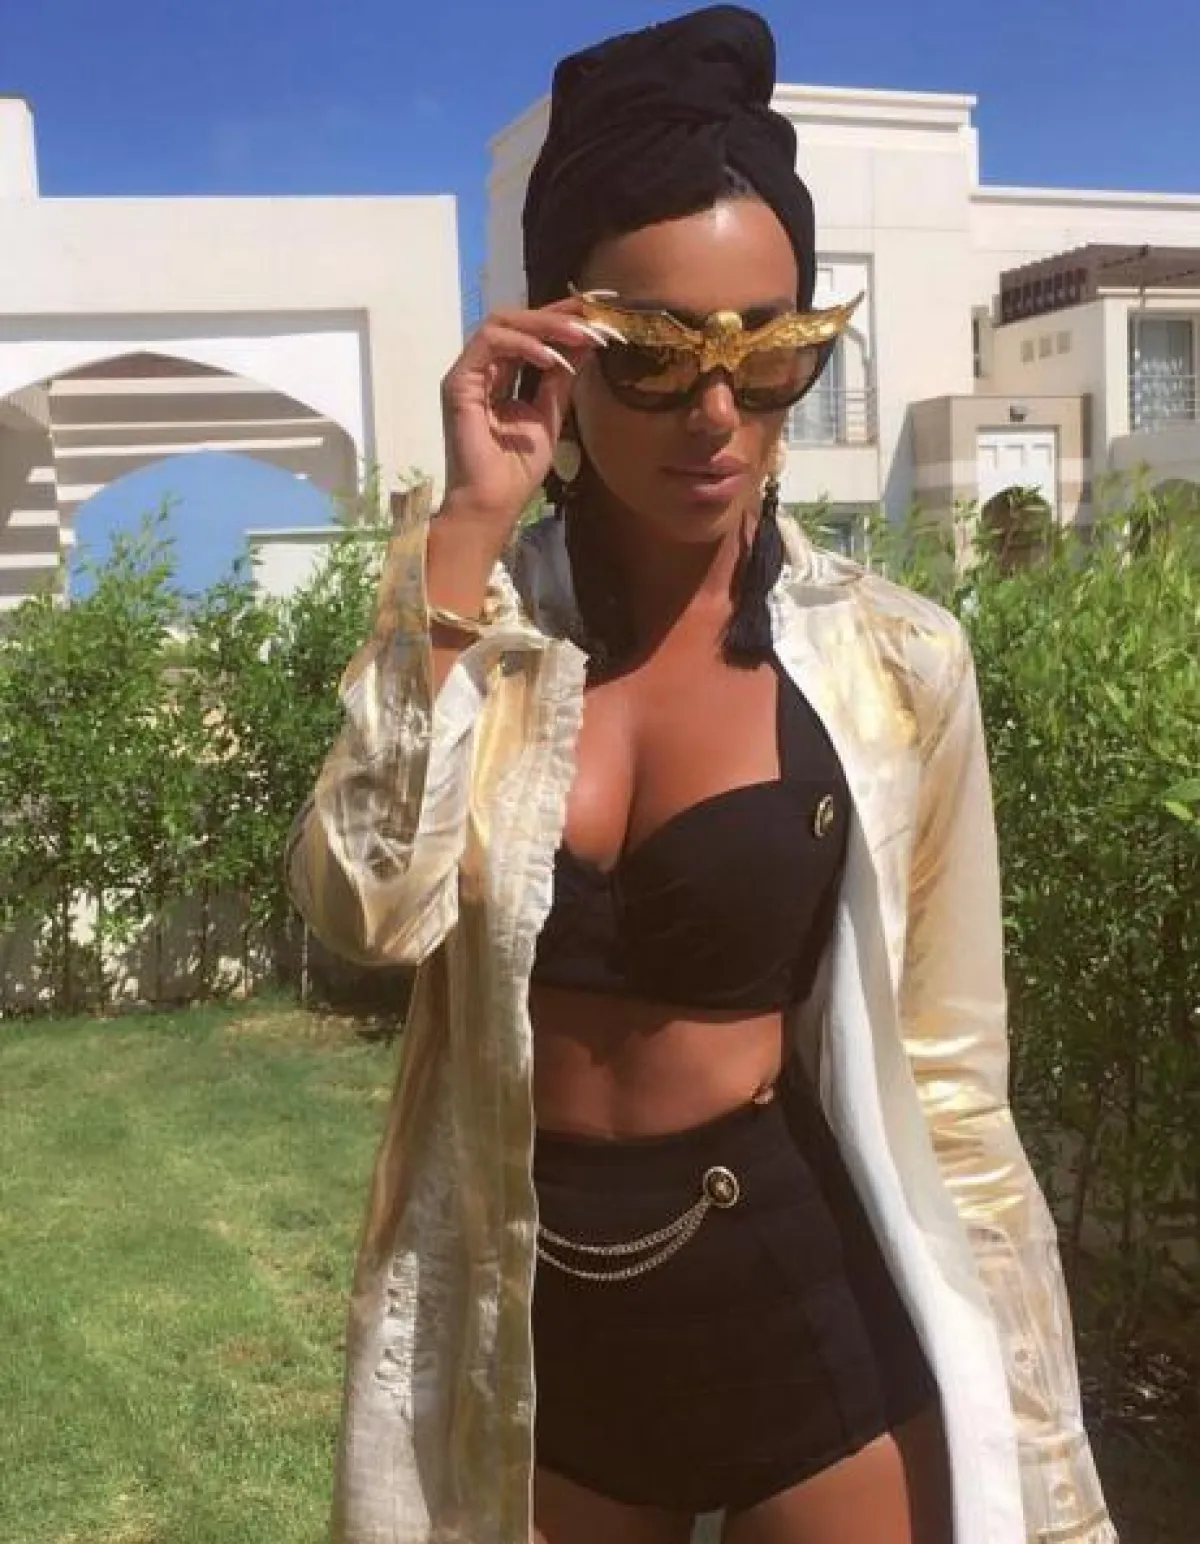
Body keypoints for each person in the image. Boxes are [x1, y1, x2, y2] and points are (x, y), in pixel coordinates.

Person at [287, 8, 1115, 1543]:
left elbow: (949, 1074)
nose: (720, 415)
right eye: (658, 358)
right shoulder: (479, 624)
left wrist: (1022, 1408)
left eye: (774, 353)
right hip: (540, 1336)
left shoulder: (895, 662)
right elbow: (365, 913)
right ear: (556, 349)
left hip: (806, 1312)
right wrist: (458, 541)